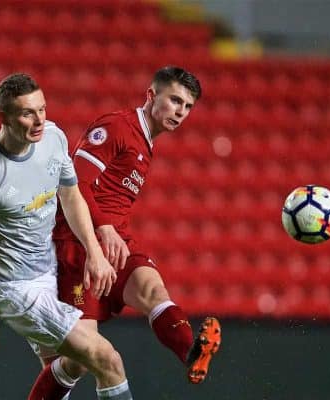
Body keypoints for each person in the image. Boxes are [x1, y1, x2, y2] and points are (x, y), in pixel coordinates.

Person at [29, 66, 222, 398]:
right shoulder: (117, 127)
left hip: (116, 240)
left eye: (187, 106)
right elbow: (73, 182)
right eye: (175, 100)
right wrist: (102, 227)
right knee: (81, 359)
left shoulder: (146, 143)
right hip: (78, 243)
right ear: (151, 95)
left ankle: (192, 354)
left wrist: (110, 230)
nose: (180, 111)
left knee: (153, 290)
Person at [0, 73, 134, 400]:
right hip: (15, 289)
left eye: (42, 109)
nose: (39, 120)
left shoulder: (53, 138)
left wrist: (93, 252)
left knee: (72, 365)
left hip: (49, 270)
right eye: (27, 113)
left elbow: (71, 196)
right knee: (106, 359)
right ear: (3, 118)